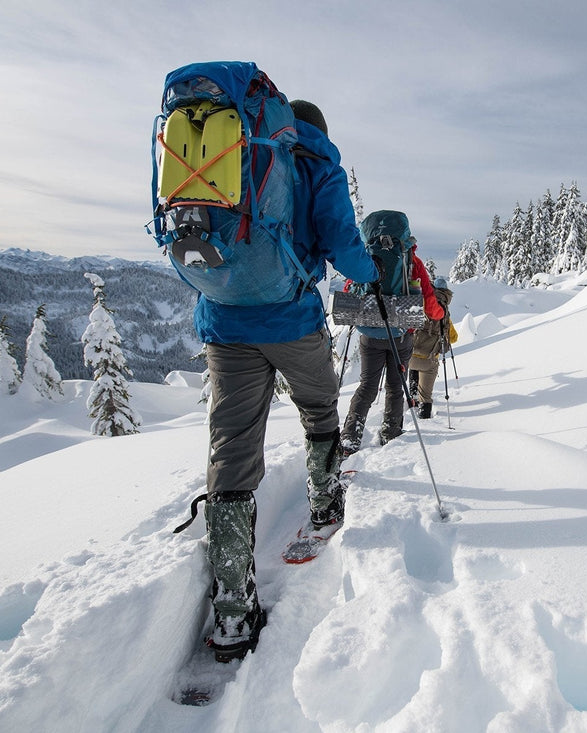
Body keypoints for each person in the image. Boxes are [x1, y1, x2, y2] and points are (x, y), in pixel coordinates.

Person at [195, 99, 379, 662]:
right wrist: (369, 277)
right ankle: (323, 505)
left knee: (231, 445)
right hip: (292, 321)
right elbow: (345, 245)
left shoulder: (238, 152)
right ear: (317, 131)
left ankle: (231, 607)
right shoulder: (318, 164)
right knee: (319, 407)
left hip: (226, 324)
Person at [341, 213, 445, 454]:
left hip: (369, 333)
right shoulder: (413, 262)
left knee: (367, 385)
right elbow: (430, 304)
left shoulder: (365, 256)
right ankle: (390, 431)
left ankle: (350, 436)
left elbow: (350, 289)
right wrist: (440, 314)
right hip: (401, 335)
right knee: (396, 386)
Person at [409, 276, 456, 418]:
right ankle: (424, 417)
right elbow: (453, 338)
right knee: (426, 395)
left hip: (410, 355)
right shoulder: (444, 313)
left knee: (413, 366)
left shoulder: (421, 303)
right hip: (429, 359)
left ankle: (412, 399)